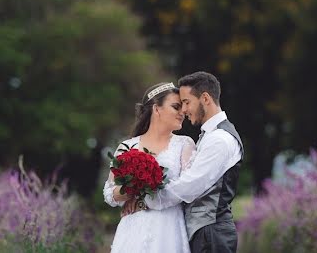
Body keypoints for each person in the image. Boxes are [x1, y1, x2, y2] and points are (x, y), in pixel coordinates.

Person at [125, 71, 244, 253]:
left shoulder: (220, 139)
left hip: (211, 233)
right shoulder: (211, 135)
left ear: (205, 98)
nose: (184, 110)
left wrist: (145, 201)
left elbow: (189, 186)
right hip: (205, 232)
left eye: (187, 102)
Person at [103, 81, 196, 253]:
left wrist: (143, 199)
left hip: (168, 229)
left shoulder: (185, 144)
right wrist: (130, 190)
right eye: (176, 107)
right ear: (157, 109)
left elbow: (187, 190)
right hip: (132, 229)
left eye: (183, 107)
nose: (182, 112)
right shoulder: (127, 146)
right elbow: (109, 193)